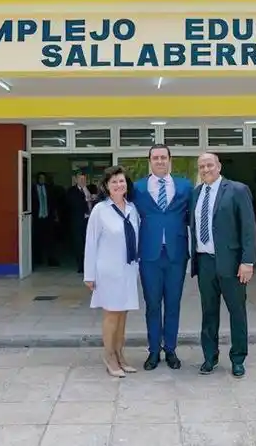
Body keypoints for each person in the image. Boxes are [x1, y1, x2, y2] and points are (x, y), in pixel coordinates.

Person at [190, 153, 256, 378]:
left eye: (209, 165)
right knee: (208, 312)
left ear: (218, 166)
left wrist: (247, 261)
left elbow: (248, 227)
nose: (205, 169)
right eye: (201, 166)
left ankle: (238, 358)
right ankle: (210, 357)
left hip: (232, 263)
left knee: (237, 312)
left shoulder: (237, 190)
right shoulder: (196, 193)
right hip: (204, 261)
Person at [131, 144, 193, 370]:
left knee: (173, 304)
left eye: (163, 157)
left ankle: (171, 350)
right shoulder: (137, 188)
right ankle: (154, 351)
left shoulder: (185, 186)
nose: (160, 161)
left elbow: (194, 216)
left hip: (176, 254)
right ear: (150, 161)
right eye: (155, 158)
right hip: (149, 255)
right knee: (153, 305)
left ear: (170, 160)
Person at [83, 166, 140, 378]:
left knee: (123, 314)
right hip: (108, 270)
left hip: (128, 269)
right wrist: (89, 275)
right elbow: (91, 242)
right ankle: (109, 356)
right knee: (112, 314)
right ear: (106, 186)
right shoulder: (100, 210)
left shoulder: (132, 209)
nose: (118, 185)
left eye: (121, 181)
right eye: (114, 182)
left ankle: (120, 354)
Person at [66, 170, 92, 274]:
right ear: (76, 180)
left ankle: (89, 265)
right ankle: (81, 266)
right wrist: (86, 199)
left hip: (89, 222)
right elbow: (73, 204)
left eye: (84, 179)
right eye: (80, 179)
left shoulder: (90, 189)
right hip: (77, 221)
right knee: (79, 244)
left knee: (88, 244)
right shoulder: (71, 191)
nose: (82, 181)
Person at [32, 172, 59, 267]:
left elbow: (53, 202)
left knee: (50, 239)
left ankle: (51, 259)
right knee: (37, 239)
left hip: (48, 217)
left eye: (43, 178)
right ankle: (37, 259)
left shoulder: (49, 189)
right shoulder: (32, 189)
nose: (42, 180)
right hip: (37, 218)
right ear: (37, 179)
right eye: (40, 178)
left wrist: (55, 215)